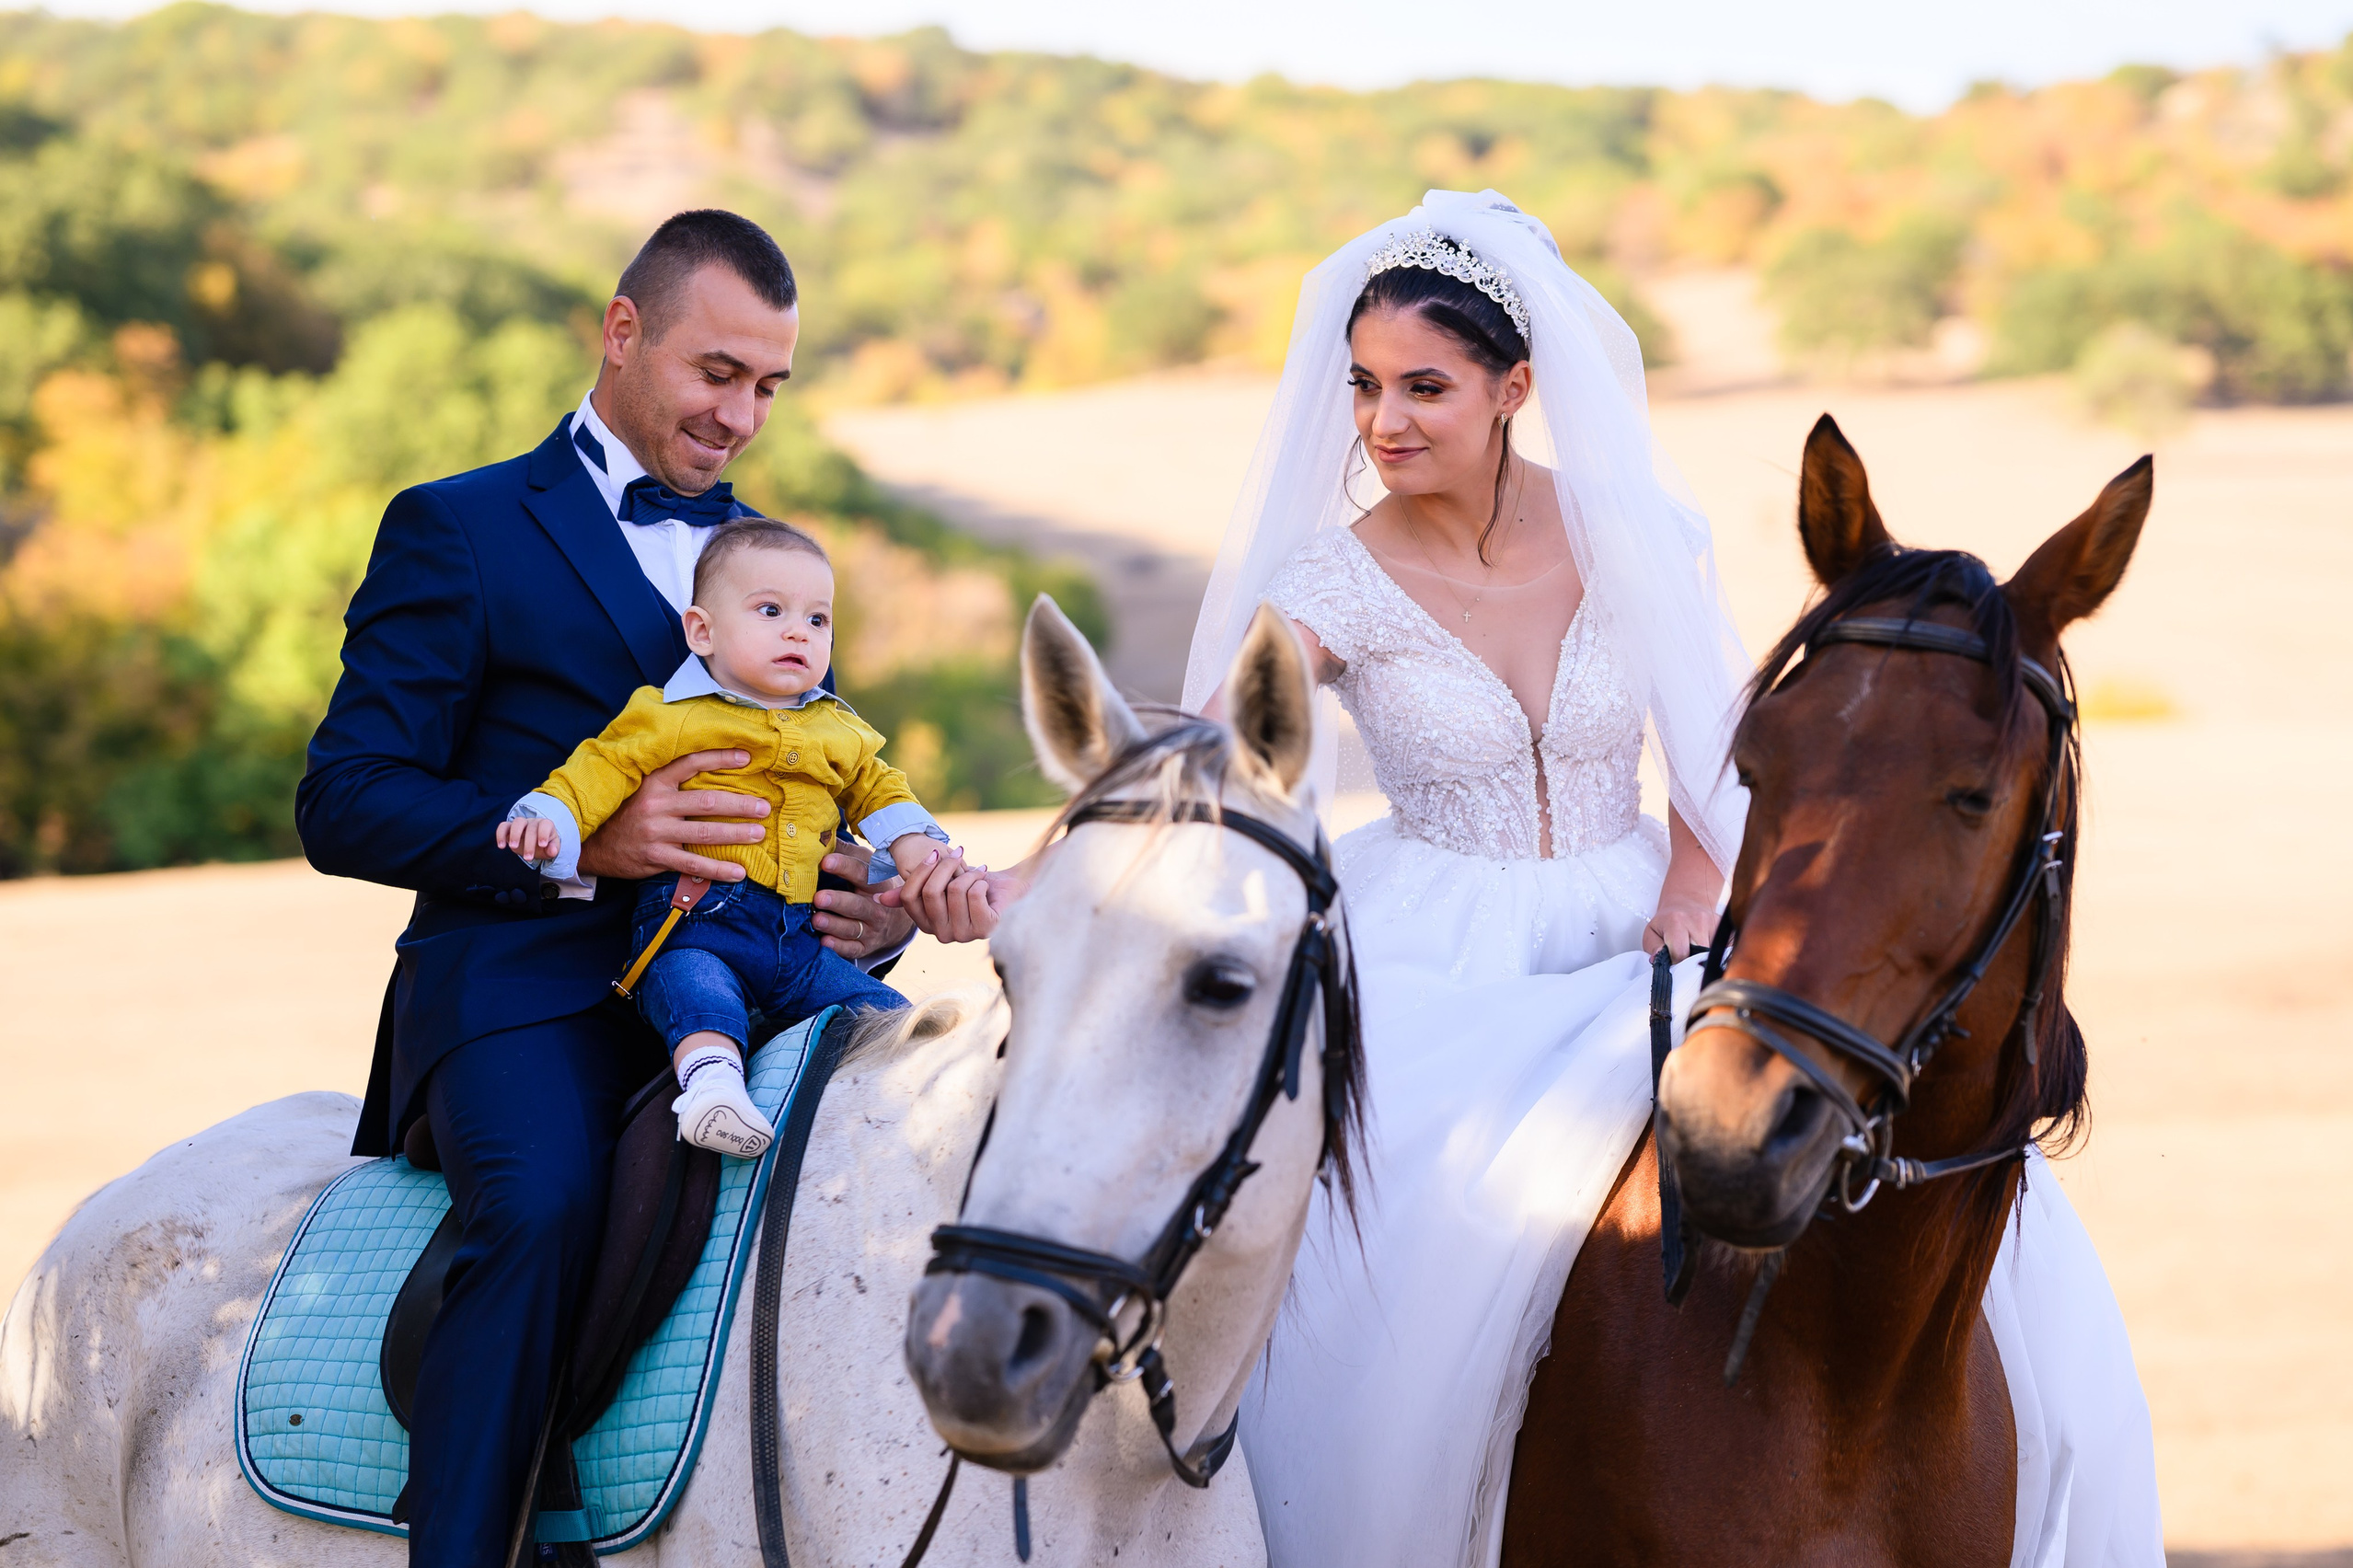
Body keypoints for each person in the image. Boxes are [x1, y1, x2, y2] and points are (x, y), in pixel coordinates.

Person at [896, 191, 2159, 1567]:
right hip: (1437, 950)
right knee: (1393, 1261)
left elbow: (1722, 737)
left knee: (1973, 1221)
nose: (1385, 423)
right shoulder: (1338, 575)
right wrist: (1024, 877)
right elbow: (1207, 760)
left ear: (1517, 387)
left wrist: (1693, 880)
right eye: (1366, 387)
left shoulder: (1629, 532)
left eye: (1426, 388)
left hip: (1642, 923)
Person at [297, 209, 915, 1566]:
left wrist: (864, 897)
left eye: (769, 386)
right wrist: (594, 844)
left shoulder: (776, 565)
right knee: (544, 1207)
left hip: (750, 981)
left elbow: (832, 782)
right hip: (520, 989)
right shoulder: (457, 529)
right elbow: (342, 798)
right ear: (622, 333)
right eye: (716, 373)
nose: (742, 415)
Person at [497, 516, 948, 1158]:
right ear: (702, 630)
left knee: (891, 1018)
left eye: (818, 620)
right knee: (697, 997)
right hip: (697, 920)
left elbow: (882, 791)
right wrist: (551, 820)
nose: (799, 630)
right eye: (772, 611)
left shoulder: (838, 729)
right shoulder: (671, 715)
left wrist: (917, 851)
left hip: (797, 943)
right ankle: (713, 1095)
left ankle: (937, 1108)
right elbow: (599, 769)